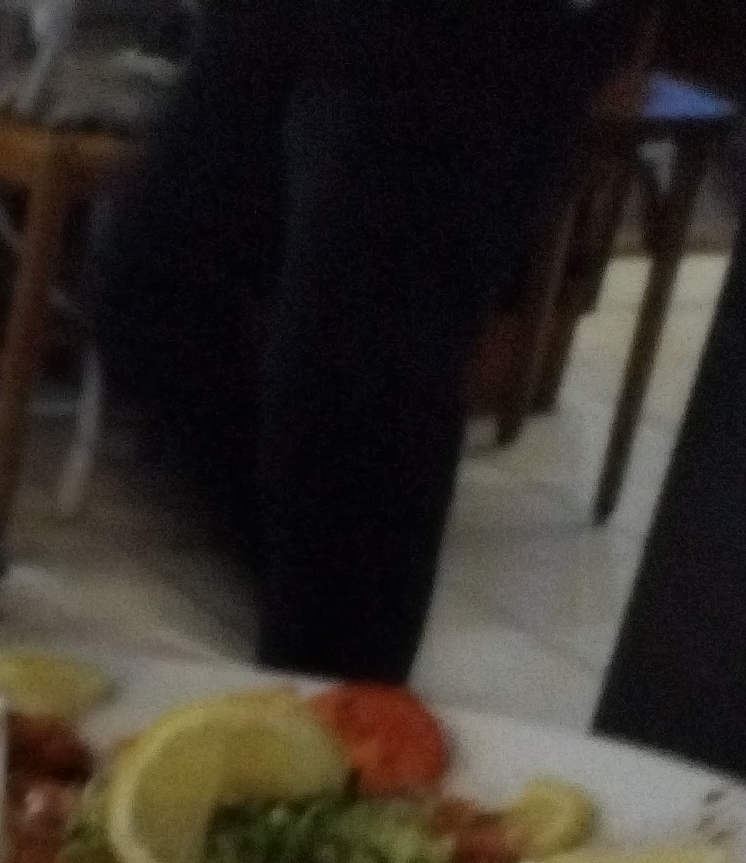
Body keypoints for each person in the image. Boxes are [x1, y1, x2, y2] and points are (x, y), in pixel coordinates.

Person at [87, 0, 632, 682]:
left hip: (472, 39)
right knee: (155, 286)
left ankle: (337, 673)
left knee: (356, 396)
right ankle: (333, 631)